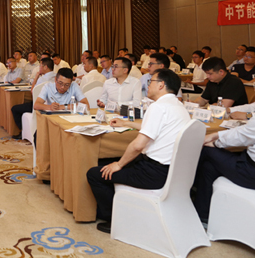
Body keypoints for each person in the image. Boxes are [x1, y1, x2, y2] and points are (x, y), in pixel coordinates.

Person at [87, 68, 191, 233]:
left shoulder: (158, 107)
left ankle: (116, 219)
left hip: (152, 173)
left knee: (95, 173)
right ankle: (125, 209)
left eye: (151, 82)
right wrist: (126, 123)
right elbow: (154, 127)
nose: (148, 86)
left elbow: (138, 145)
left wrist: (119, 165)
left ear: (161, 85)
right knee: (108, 163)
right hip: (172, 170)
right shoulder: (178, 106)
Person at [193, 113, 255, 224]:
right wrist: (217, 135)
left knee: (207, 150)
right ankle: (203, 213)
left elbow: (243, 136)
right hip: (249, 166)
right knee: (209, 167)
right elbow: (247, 130)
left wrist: (216, 142)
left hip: (249, 171)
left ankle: (188, 190)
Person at [10, 57, 55, 139]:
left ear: (45, 67)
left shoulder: (42, 79)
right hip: (52, 104)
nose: (39, 68)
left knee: (15, 108)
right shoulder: (56, 77)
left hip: (40, 105)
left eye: (40, 66)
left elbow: (33, 91)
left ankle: (22, 131)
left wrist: (36, 77)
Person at [0, 57, 24, 125]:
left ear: (15, 62)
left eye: (10, 62)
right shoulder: (8, 72)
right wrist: (8, 84)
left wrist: (9, 83)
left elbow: (17, 81)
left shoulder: (20, 70)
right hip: (9, 89)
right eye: (7, 63)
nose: (8, 64)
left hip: (18, 91)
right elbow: (6, 81)